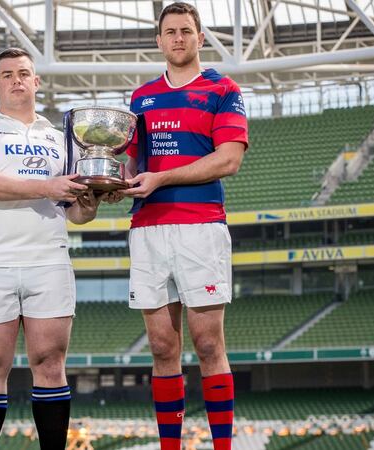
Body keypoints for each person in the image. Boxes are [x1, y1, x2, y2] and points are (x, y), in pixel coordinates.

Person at [0, 47, 104, 450]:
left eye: (24, 73)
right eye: (7, 74)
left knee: (51, 365)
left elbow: (75, 214)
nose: (16, 80)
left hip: (49, 262)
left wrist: (86, 205)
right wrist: (47, 186)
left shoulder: (60, 139)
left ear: (37, 82)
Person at [119, 3, 249, 450]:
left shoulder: (223, 89)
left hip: (200, 226)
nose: (178, 38)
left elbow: (228, 158)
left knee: (209, 344)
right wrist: (115, 181)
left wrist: (163, 177)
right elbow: (133, 163)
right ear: (159, 40)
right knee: (160, 348)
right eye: (169, 32)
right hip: (148, 228)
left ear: (200, 37)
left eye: (186, 31)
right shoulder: (140, 98)